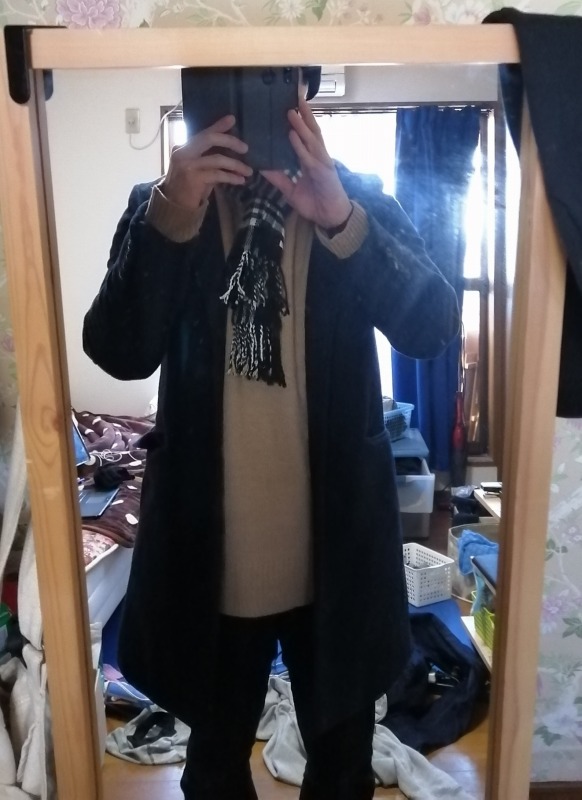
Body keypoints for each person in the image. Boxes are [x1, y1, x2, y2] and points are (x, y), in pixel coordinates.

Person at [83, 67, 459, 800]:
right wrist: (169, 217)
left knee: (343, 772)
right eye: (225, 84)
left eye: (266, 82)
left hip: (336, 557)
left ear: (300, 93)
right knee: (213, 771)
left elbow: (432, 326)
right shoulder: (163, 205)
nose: (245, 105)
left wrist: (341, 219)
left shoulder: (357, 197)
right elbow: (118, 350)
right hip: (212, 562)